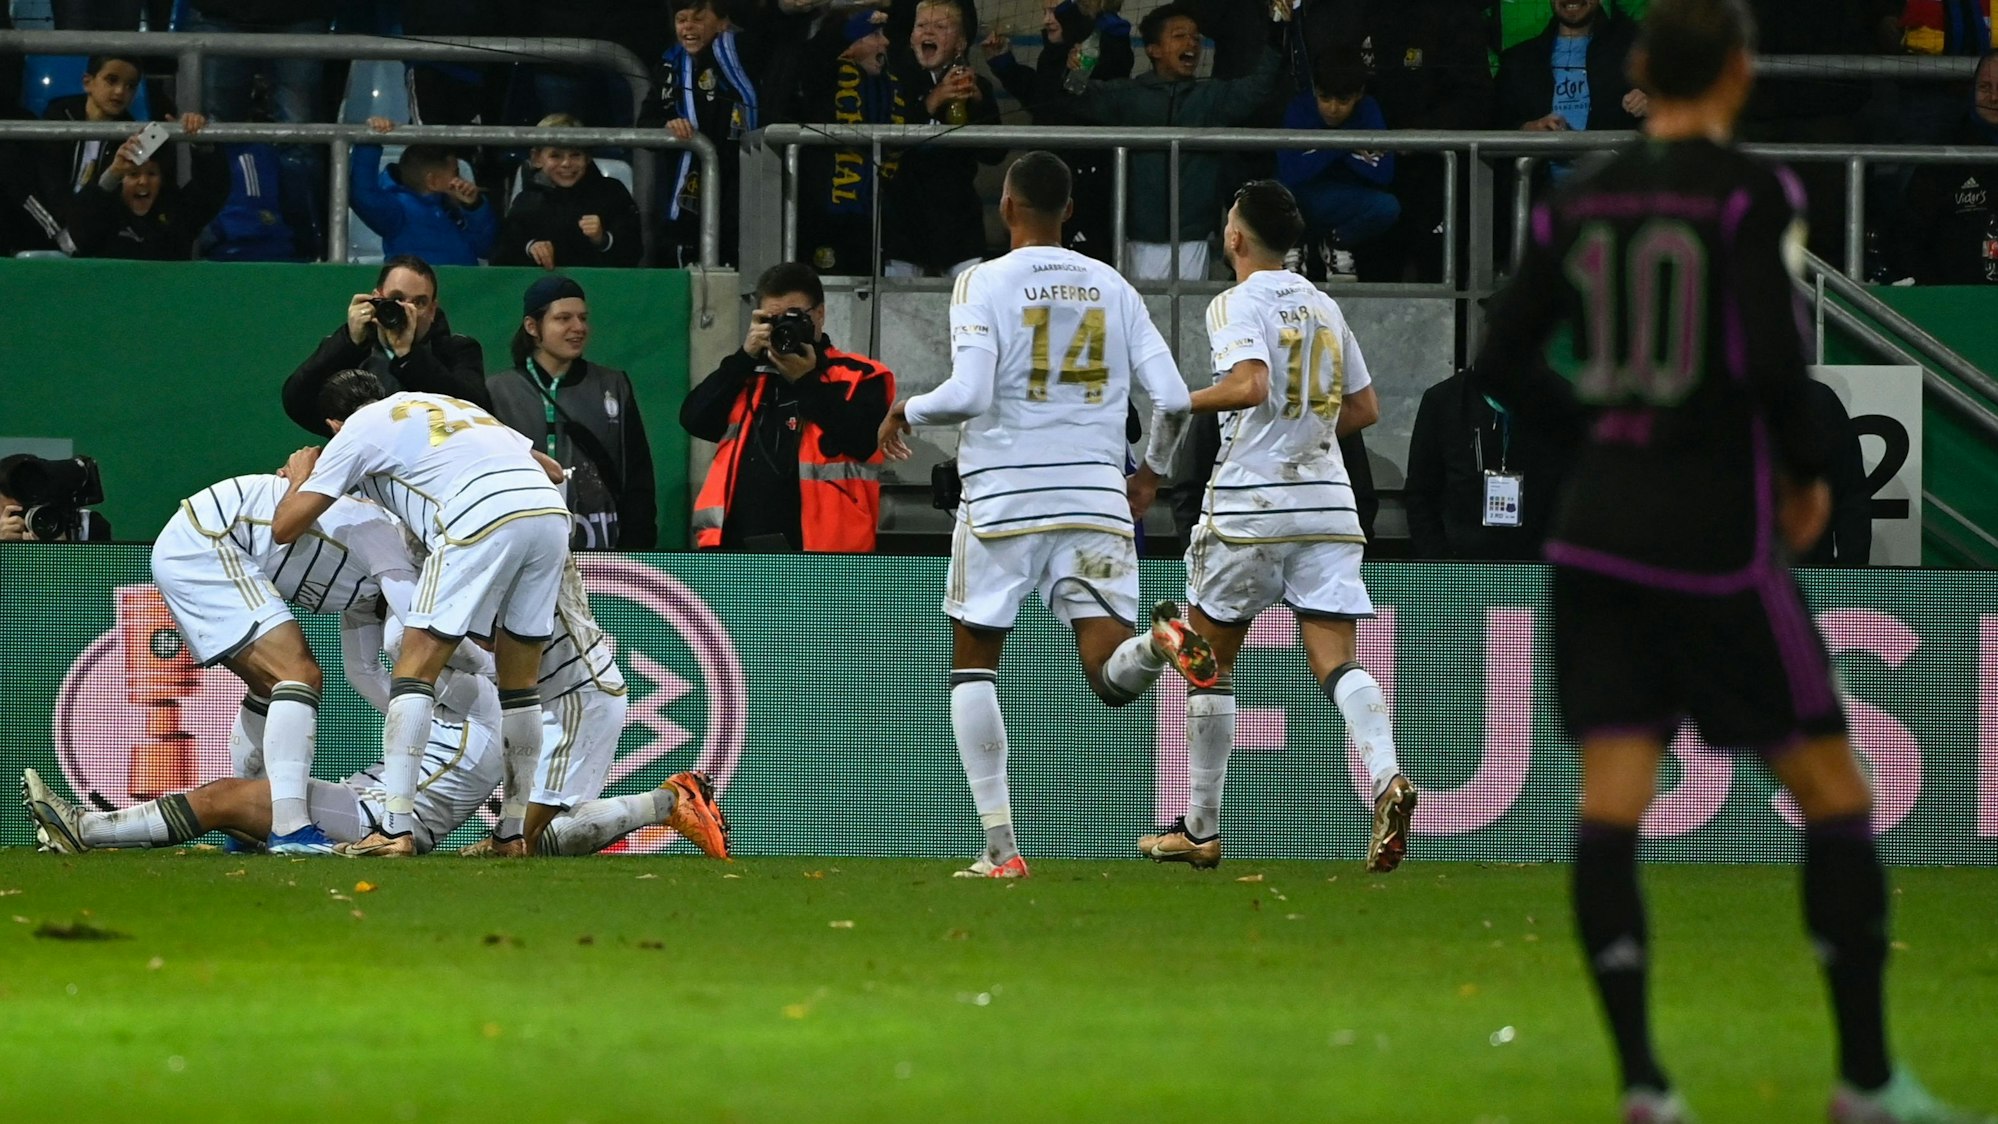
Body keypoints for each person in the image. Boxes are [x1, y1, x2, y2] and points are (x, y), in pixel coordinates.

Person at [1469, 3, 1987, 1121]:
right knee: (1831, 788)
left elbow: (1499, 352)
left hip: (1597, 533)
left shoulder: (1582, 197)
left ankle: (1647, 1086)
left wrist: (1596, 425)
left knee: (1611, 802)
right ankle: (1864, 1077)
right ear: (1743, 75)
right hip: (1712, 534)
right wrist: (1812, 473)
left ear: (1642, 73)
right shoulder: (1755, 193)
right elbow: (1770, 352)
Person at [876, 151, 1214, 879]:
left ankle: (1000, 848)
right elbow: (1178, 400)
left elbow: (967, 394)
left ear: (1006, 207)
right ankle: (1160, 642)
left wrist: (907, 406)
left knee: (973, 669)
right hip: (1096, 499)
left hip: (1003, 498)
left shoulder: (983, 281)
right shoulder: (1115, 287)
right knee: (1110, 677)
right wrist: (1149, 473)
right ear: (1069, 212)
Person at [1135, 181, 1415, 875]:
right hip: (1327, 503)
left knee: (1205, 658)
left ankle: (1201, 828)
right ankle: (1388, 776)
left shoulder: (1236, 301)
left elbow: (1251, 384)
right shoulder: (1322, 303)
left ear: (1235, 238)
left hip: (1252, 505)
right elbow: (1366, 407)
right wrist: (1304, 435)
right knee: (1336, 657)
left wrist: (1181, 401)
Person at [271, 370, 575, 860]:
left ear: (332, 423)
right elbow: (553, 469)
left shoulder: (355, 432)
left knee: (412, 668)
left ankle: (394, 828)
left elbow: (285, 526)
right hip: (548, 517)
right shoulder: (446, 400)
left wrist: (305, 475)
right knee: (520, 687)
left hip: (478, 515)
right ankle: (511, 835)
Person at [147, 473, 419, 852]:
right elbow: (414, 632)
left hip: (195, 543)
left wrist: (420, 723)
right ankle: (290, 827)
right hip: (208, 539)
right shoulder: (387, 544)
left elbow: (364, 670)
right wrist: (469, 695)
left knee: (269, 686)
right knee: (298, 674)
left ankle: (241, 829)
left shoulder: (369, 595)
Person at [1063, 2, 1290, 281]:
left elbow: (1256, 88)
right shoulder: (1128, 96)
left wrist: (1277, 33)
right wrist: (1077, 70)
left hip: (1192, 239)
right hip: (1136, 239)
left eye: (1195, 37)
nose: (1191, 43)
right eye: (1179, 35)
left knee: (1188, 319)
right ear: (1153, 50)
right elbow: (1076, 98)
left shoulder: (1211, 98)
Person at [682, 262, 895, 552]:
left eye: (793, 317)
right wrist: (744, 357)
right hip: (736, 548)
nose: (784, 327)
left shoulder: (861, 375)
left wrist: (805, 380)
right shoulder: (747, 376)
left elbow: (863, 440)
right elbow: (694, 419)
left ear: (819, 315)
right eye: (773, 319)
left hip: (824, 554)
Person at [486, 275, 659, 550]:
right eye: (563, 318)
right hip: (523, 547)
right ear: (532, 326)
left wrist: (638, 545)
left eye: (583, 317)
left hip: (600, 548)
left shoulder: (613, 385)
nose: (578, 327)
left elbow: (638, 475)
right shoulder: (498, 391)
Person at [283, 255, 491, 437]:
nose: (407, 309)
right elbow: (298, 403)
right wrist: (349, 341)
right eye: (396, 299)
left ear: (432, 309)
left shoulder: (458, 350)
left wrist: (408, 356)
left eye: (419, 303)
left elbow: (474, 412)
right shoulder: (350, 350)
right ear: (376, 298)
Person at [1404, 365, 1576, 561]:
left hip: (1539, 567)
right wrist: (1441, 562)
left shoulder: (1562, 403)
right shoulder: (1443, 400)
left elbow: (1577, 494)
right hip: (1460, 565)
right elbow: (1420, 493)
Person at [883, 0, 1003, 278]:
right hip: (902, 224)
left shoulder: (976, 85)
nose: (928, 32)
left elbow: (996, 154)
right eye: (921, 25)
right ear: (911, 37)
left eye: (940, 26)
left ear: (960, 43)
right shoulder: (891, 81)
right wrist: (932, 101)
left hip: (958, 226)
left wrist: (979, 106)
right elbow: (889, 143)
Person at [644, 0, 762, 267]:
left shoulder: (745, 53)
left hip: (743, 186)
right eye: (681, 20)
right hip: (689, 194)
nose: (687, 27)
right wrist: (667, 126)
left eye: (697, 19)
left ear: (722, 23)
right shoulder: (668, 65)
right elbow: (645, 122)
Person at [796, 9, 909, 276]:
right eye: (875, 35)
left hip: (874, 213)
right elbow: (814, 54)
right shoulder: (824, 79)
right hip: (826, 212)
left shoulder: (888, 83)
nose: (886, 42)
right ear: (849, 46)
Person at [1495, 0, 1646, 185]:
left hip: (1612, 198)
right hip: (1539, 201)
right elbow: (1494, 122)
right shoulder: (1518, 61)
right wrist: (1526, 130)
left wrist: (1651, 104)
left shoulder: (1636, 55)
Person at [1276, 53, 1400, 278]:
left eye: (1343, 101)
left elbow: (1384, 174)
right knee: (1275, 196)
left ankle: (1336, 243)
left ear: (1359, 94)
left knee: (1387, 207)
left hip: (1345, 204)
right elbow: (1289, 172)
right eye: (1325, 98)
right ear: (1314, 90)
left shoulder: (1369, 110)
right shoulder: (1299, 107)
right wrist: (1343, 145)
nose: (1333, 109)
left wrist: (1321, 149)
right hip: (1302, 200)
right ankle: (1293, 244)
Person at [1897, 50, 1998, 285]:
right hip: (1955, 303)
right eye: (1984, 87)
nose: (1994, 97)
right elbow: (1907, 238)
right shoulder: (1946, 157)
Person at [493, 114, 644, 270]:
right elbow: (501, 256)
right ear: (537, 158)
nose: (566, 163)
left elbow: (634, 253)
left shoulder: (613, 193)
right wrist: (530, 248)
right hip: (546, 289)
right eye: (555, 156)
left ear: (587, 156)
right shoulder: (526, 202)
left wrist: (603, 240)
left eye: (575, 155)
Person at [349, 118, 495, 267]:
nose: (461, 178)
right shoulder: (397, 212)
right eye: (456, 173)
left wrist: (475, 207)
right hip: (412, 289)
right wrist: (369, 140)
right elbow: (363, 194)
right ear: (433, 181)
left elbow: (484, 248)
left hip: (465, 288)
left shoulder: (457, 209)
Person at [65, 129, 230, 260]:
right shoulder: (106, 211)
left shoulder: (176, 211)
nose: (143, 181)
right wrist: (112, 174)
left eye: (152, 174)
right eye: (134, 174)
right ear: (120, 179)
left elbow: (212, 191)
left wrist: (202, 143)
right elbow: (81, 235)